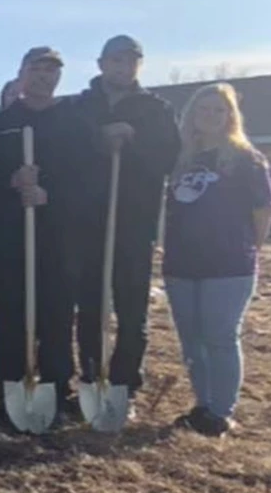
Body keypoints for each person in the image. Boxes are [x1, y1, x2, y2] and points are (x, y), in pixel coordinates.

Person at [0, 47, 94, 421]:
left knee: (56, 315)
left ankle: (55, 388)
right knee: (8, 314)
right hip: (7, 240)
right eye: (36, 69)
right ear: (21, 74)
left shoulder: (75, 122)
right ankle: (9, 385)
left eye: (52, 70)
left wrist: (49, 194)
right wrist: (9, 181)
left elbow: (90, 181)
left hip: (58, 239)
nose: (44, 76)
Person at [70, 34, 180, 414]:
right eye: (116, 60)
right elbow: (65, 153)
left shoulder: (155, 109)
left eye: (131, 61)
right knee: (90, 305)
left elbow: (168, 158)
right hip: (88, 222)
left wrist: (133, 140)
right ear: (101, 64)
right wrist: (100, 140)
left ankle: (124, 381)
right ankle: (91, 375)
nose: (123, 67)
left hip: (133, 222)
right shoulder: (81, 107)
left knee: (132, 307)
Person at [161, 83, 271, 437]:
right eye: (203, 109)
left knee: (220, 336)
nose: (210, 116)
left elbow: (264, 209)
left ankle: (222, 411)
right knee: (192, 339)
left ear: (230, 116)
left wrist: (250, 248)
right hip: (182, 264)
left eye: (218, 110)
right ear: (192, 115)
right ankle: (203, 404)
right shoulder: (181, 159)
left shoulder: (245, 159)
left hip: (228, 265)